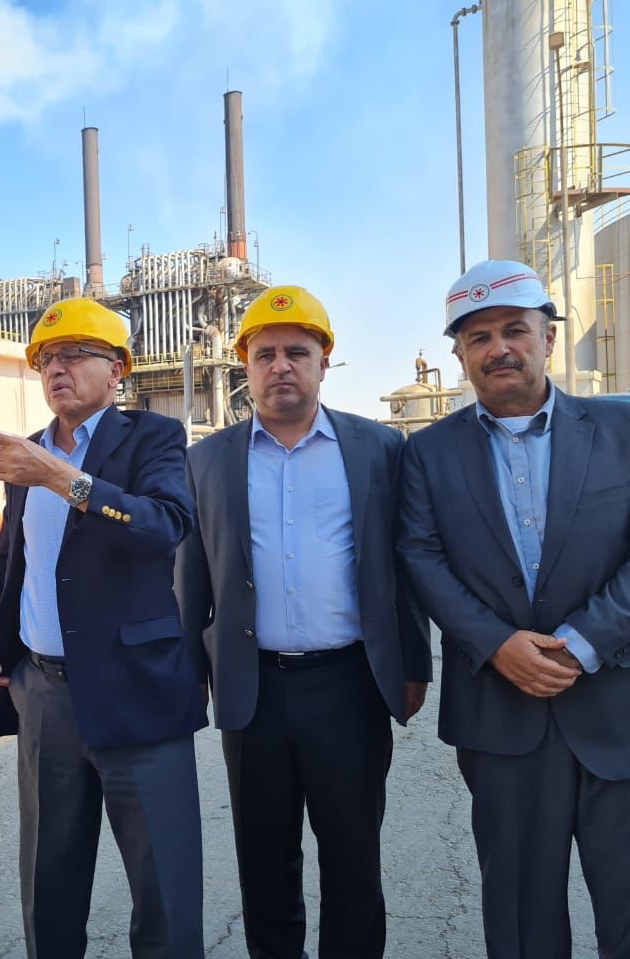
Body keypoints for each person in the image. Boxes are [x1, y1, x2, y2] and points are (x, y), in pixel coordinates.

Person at [174, 285, 431, 959]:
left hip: (348, 684)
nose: (281, 365)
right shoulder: (207, 460)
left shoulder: (378, 448)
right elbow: (192, 577)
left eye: (297, 351)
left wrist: (413, 663)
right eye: (265, 354)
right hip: (252, 689)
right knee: (265, 863)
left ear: (324, 362)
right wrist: (192, 674)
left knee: (353, 859)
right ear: (246, 366)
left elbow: (402, 565)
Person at [398, 259, 630, 959]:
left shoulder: (621, 428)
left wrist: (585, 640)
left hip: (616, 707)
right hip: (501, 717)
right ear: (460, 355)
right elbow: (420, 557)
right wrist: (497, 643)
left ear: (548, 338)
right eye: (479, 337)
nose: (498, 348)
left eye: (514, 330)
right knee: (523, 920)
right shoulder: (427, 453)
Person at [0, 297, 206, 959]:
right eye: (46, 359)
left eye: (74, 354)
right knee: (50, 888)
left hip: (138, 694)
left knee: (164, 894)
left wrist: (62, 478)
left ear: (117, 369)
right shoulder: (29, 456)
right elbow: (13, 556)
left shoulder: (153, 438)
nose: (56, 368)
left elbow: (164, 526)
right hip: (44, 697)